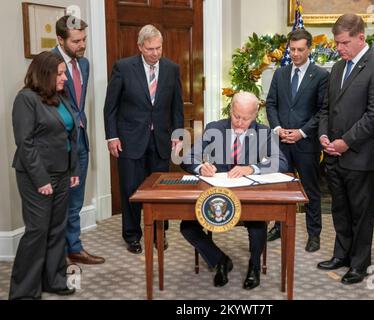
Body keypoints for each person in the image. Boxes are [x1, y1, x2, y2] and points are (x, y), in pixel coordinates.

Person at [180, 92, 288, 290]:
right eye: (236, 116)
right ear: (231, 110)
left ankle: (254, 267)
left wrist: (252, 168)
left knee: (258, 224)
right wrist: (200, 167)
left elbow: (280, 162)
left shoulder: (263, 132)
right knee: (187, 227)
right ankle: (220, 260)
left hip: (249, 197)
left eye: (245, 119)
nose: (239, 123)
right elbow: (189, 158)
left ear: (255, 116)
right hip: (217, 197)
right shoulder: (215, 128)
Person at [317, 14, 374, 284]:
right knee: (340, 209)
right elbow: (327, 108)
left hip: (359, 157)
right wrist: (324, 135)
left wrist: (346, 142)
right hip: (333, 154)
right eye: (337, 43)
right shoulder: (338, 67)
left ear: (361, 37)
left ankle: (359, 265)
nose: (339, 48)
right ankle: (342, 254)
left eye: (344, 43)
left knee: (361, 215)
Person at [104, 24, 184, 254]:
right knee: (131, 187)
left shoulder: (171, 68)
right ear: (140, 47)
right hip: (130, 139)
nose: (155, 53)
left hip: (160, 139)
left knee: (160, 189)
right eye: (150, 49)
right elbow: (111, 107)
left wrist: (178, 135)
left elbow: (177, 107)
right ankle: (132, 235)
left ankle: (160, 233)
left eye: (158, 48)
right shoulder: (123, 68)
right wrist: (112, 136)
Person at [9, 51, 80, 299]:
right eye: (59, 74)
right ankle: (24, 292)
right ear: (44, 74)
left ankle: (54, 280)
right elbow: (25, 143)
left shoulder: (61, 96)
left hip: (62, 172)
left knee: (57, 229)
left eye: (64, 73)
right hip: (36, 175)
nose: (64, 79)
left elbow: (71, 135)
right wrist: (41, 180)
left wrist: (73, 170)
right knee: (37, 231)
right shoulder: (26, 99)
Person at [265, 29, 329, 252]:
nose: (295, 54)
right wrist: (278, 128)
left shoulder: (321, 76)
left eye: (300, 50)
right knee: (280, 187)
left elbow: (322, 111)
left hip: (306, 143)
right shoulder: (280, 74)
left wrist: (301, 132)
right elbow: (271, 104)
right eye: (292, 49)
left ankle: (314, 234)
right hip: (281, 143)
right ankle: (278, 227)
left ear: (309, 49)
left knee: (311, 190)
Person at [53, 15, 105, 265]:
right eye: (76, 41)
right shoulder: (50, 65)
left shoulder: (83, 64)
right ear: (60, 40)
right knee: (59, 202)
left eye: (84, 39)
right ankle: (57, 255)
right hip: (60, 145)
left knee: (76, 199)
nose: (82, 45)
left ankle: (74, 247)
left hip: (81, 141)